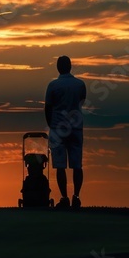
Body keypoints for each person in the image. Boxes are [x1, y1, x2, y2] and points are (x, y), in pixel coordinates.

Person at [45, 55, 86, 209]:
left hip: (58, 128)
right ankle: (76, 196)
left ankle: (64, 197)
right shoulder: (80, 84)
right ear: (70, 67)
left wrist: (51, 126)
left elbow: (48, 107)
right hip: (75, 127)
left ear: (58, 68)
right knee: (77, 165)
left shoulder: (53, 85)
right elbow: (82, 101)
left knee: (60, 165)